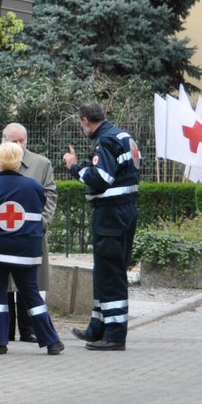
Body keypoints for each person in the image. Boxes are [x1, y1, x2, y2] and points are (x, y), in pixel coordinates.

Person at [0, 141, 64, 356]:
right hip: (25, 251)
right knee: (32, 294)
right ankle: (51, 342)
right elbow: (41, 207)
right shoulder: (34, 187)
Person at [63, 102, 140, 351]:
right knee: (105, 271)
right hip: (125, 211)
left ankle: (115, 334)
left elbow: (100, 179)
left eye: (80, 123)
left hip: (110, 214)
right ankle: (98, 327)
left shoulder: (105, 141)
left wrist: (74, 167)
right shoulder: (123, 136)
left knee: (110, 273)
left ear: (85, 120)